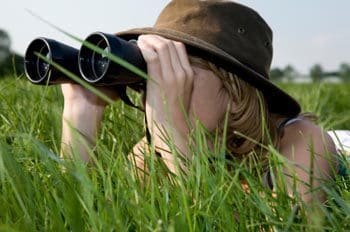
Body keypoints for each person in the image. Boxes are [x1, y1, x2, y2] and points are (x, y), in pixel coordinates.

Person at [60, 0, 340, 203]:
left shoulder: (303, 142)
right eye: (151, 76)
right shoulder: (151, 151)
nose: (162, 90)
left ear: (234, 90)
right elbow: (98, 215)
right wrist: (79, 115)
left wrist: (174, 138)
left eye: (177, 73)